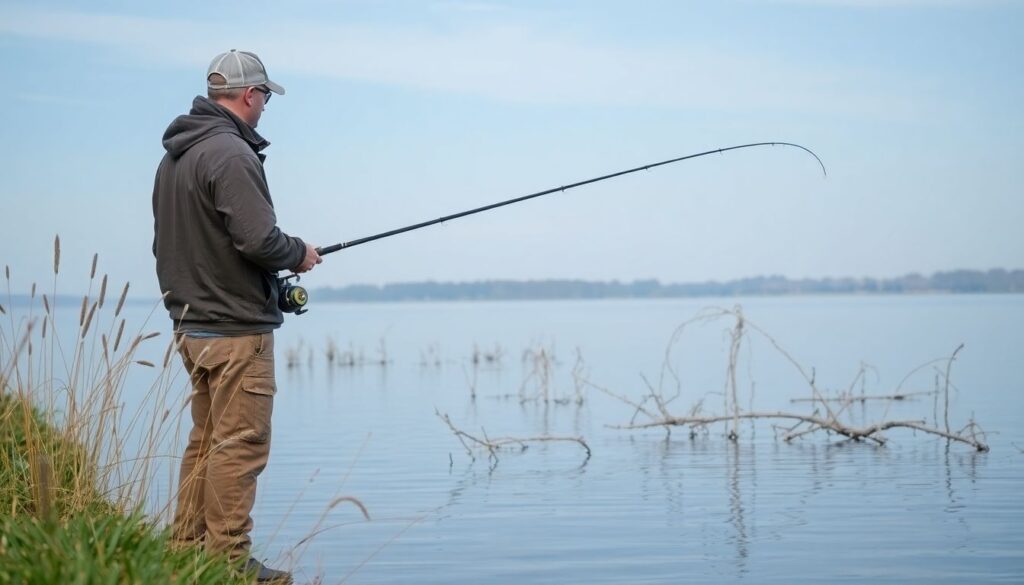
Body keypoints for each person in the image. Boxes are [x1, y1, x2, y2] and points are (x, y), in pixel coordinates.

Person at [152, 49, 320, 584]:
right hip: (235, 330)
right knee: (239, 446)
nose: (266, 107)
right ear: (250, 95)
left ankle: (184, 551)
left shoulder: (177, 155)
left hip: (193, 326)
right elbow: (257, 239)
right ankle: (228, 562)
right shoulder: (229, 153)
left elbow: (168, 243)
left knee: (205, 442)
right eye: (265, 97)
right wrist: (299, 253)